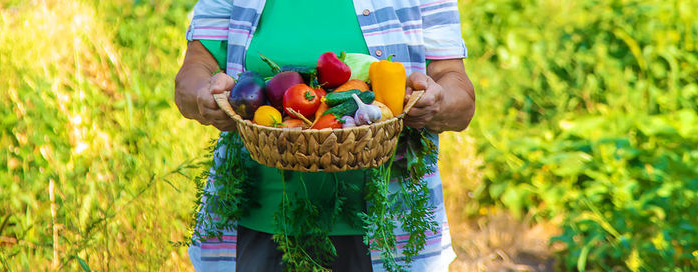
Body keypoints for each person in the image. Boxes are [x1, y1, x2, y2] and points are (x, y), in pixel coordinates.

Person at [174, 0, 475, 271]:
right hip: (258, 219)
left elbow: (459, 93)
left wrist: (438, 101)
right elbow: (193, 72)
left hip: (388, 228)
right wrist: (205, 93)